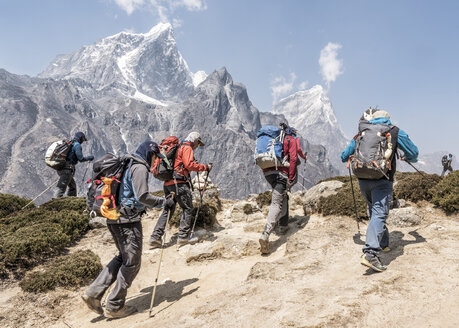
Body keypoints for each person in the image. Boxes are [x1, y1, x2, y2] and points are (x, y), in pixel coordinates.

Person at [82, 140, 174, 319]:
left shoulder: (127, 163)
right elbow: (143, 196)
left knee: (122, 256)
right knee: (132, 262)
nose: (156, 161)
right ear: (151, 153)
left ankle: (93, 294)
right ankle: (114, 306)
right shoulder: (139, 167)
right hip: (128, 221)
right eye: (156, 157)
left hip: (113, 216)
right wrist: (164, 202)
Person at [341, 109, 418, 272]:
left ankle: (383, 244)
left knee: (374, 211)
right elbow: (414, 152)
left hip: (363, 178)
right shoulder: (394, 131)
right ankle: (370, 253)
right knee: (379, 213)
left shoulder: (363, 131)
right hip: (382, 179)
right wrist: (408, 158)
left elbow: (344, 155)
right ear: (387, 120)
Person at [149, 132, 212, 247]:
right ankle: (183, 237)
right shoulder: (187, 148)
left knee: (168, 209)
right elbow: (189, 165)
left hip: (168, 183)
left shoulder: (177, 148)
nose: (197, 146)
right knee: (187, 207)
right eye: (198, 143)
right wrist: (205, 167)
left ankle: (155, 237)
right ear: (195, 141)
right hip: (179, 183)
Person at [258, 125, 299, 254]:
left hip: (267, 172)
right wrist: (291, 177)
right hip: (281, 173)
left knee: (283, 195)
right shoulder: (290, 139)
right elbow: (293, 158)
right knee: (276, 202)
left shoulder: (275, 140)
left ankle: (283, 225)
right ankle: (266, 232)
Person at [54, 131, 94, 198]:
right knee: (61, 188)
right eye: (83, 140)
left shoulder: (70, 143)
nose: (83, 141)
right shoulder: (77, 145)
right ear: (80, 138)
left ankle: (70, 202)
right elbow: (81, 159)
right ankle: (54, 206)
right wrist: (90, 157)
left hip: (62, 168)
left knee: (73, 187)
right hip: (67, 170)